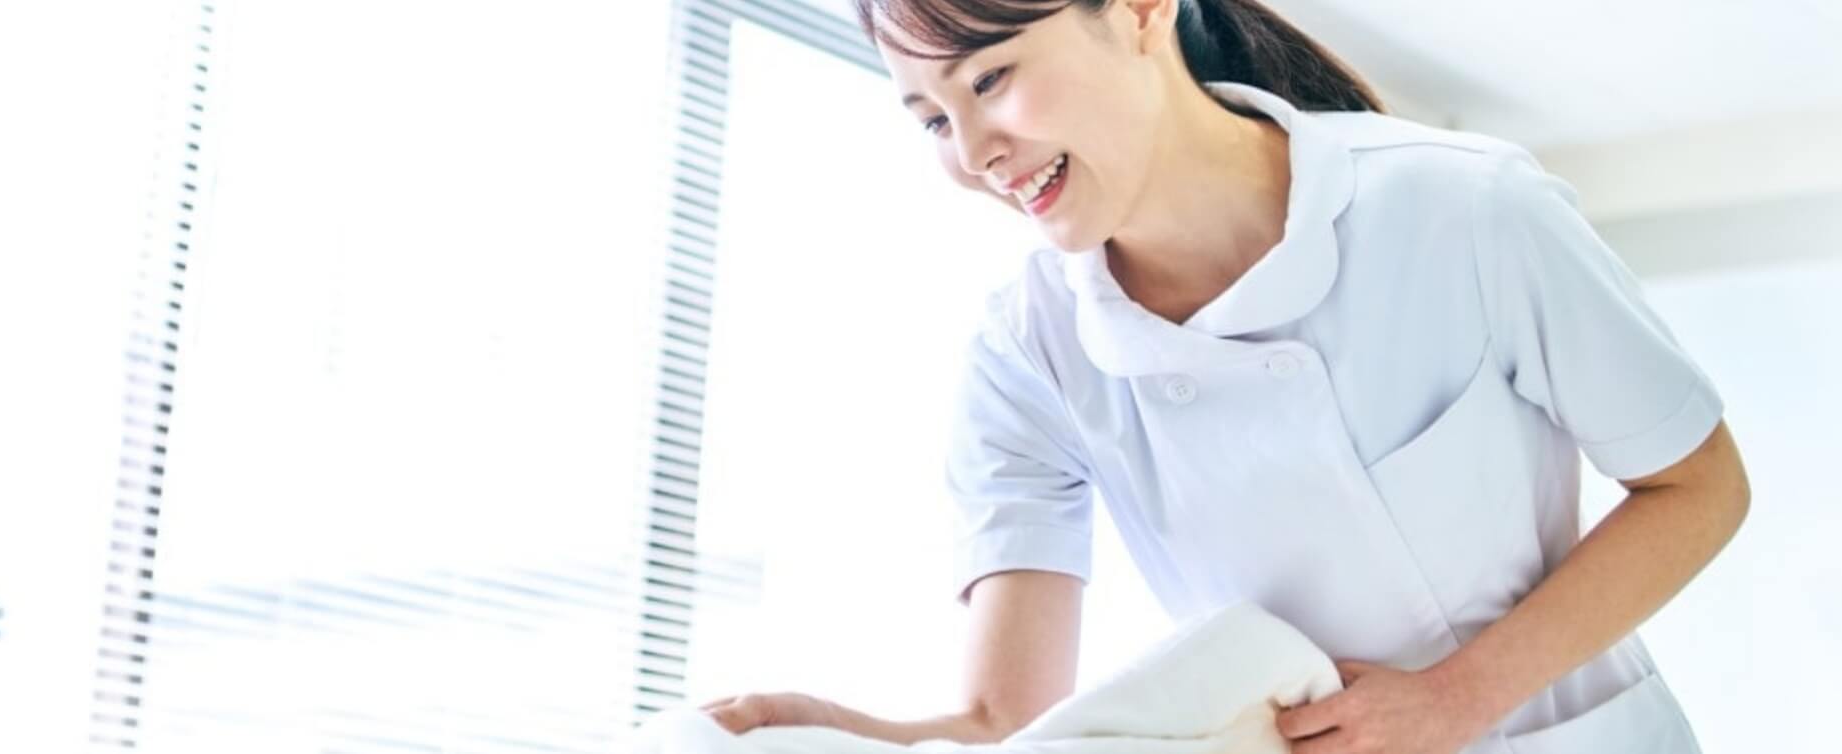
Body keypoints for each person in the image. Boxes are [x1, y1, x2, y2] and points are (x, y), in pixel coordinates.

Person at [699, 1, 1751, 752]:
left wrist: (1454, 699)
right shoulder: (1027, 352)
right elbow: (1010, 722)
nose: (973, 151)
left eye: (990, 79)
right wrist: (839, 734)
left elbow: (1699, 486)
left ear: (1140, 11)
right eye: (932, 119)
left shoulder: (1464, 211)